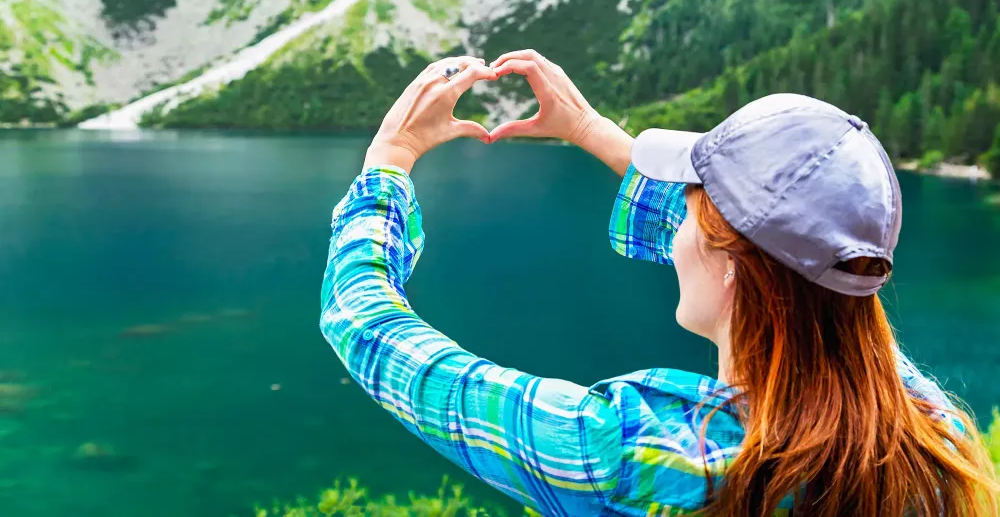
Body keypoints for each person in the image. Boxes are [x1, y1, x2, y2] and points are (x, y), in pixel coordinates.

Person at [320, 51, 999, 515]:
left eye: (691, 212)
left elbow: (366, 327)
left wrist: (390, 160)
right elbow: (782, 251)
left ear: (731, 264)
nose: (676, 232)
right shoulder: (933, 438)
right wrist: (588, 130)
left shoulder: (632, 455)